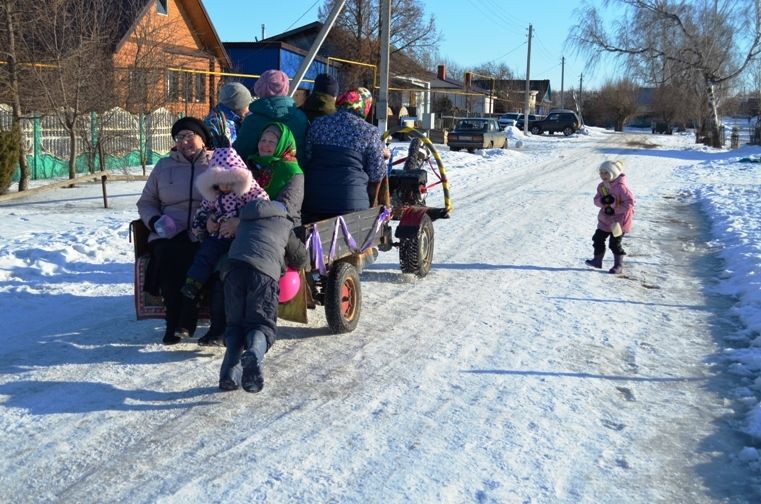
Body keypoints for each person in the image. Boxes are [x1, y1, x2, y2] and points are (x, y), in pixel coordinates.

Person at [217, 200, 308, 393]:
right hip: (263, 275)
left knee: (235, 325)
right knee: (261, 325)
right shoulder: (284, 223)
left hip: (232, 272)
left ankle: (228, 375)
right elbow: (300, 258)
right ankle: (253, 354)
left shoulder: (244, 220)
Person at [137, 116, 212, 345]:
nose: (184, 142)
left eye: (189, 136)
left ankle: (186, 318)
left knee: (196, 255)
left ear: (202, 139)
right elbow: (146, 201)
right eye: (179, 138)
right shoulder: (164, 166)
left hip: (205, 228)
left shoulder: (215, 163)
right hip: (169, 228)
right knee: (168, 257)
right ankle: (172, 321)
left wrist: (213, 220)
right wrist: (155, 220)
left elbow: (230, 196)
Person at [180, 148, 269, 301]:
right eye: (222, 183)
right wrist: (207, 223)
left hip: (242, 236)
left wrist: (241, 220)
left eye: (231, 181)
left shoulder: (248, 192)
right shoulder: (213, 195)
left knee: (234, 262)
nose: (227, 187)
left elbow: (263, 207)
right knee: (206, 253)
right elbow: (202, 211)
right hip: (219, 235)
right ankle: (194, 283)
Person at [301, 87, 387, 223]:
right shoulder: (370, 131)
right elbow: (377, 173)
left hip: (313, 200)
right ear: (365, 107)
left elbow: (307, 156)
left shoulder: (318, 123)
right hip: (351, 205)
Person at [233, 69, 309, 167]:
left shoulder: (252, 121)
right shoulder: (301, 117)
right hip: (295, 174)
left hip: (261, 178)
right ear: (285, 88)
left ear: (260, 89)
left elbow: (239, 153)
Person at [585, 160, 635, 274]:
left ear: (614, 173)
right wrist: (602, 201)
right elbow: (596, 200)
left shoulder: (621, 188)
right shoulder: (601, 186)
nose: (603, 176)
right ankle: (597, 260)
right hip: (605, 219)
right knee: (598, 239)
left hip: (619, 222)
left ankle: (619, 265)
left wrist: (614, 207)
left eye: (606, 173)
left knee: (614, 243)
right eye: (601, 173)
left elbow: (630, 203)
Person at [204, 82, 252, 148]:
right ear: (237, 106)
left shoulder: (234, 119)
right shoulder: (219, 124)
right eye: (247, 105)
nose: (249, 110)